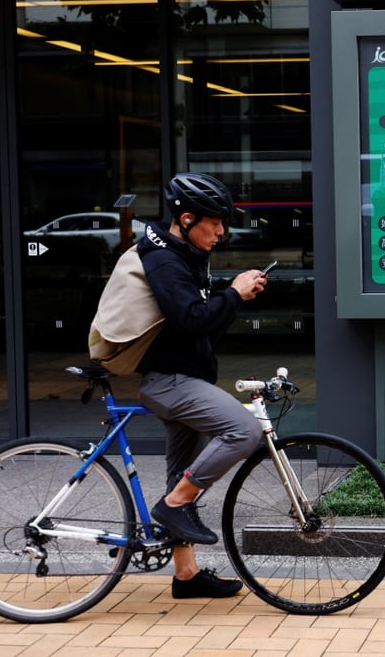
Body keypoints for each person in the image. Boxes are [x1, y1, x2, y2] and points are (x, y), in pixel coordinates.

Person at [136, 172, 268, 599]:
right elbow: (189, 318)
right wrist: (231, 293)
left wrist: (236, 298)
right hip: (170, 381)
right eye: (215, 223)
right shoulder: (164, 259)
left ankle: (186, 575)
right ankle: (173, 506)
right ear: (188, 218)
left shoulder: (183, 254)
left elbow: (200, 329)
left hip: (185, 377)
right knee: (244, 431)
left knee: (181, 473)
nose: (222, 232)